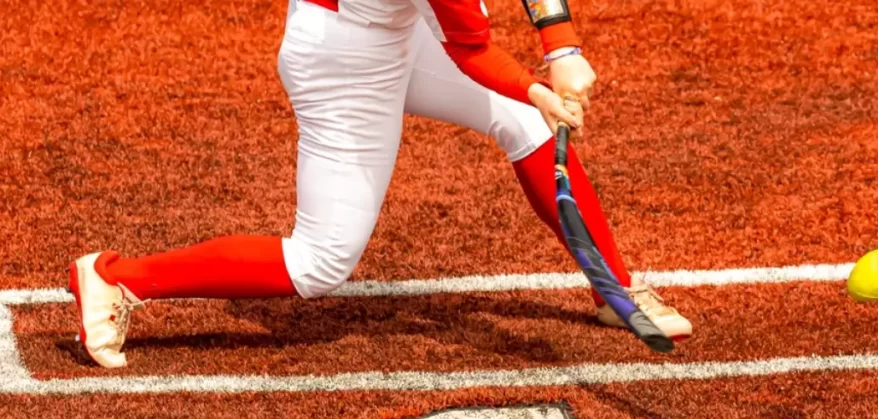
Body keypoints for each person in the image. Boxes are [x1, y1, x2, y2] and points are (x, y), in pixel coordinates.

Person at [68, 0, 692, 368]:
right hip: (343, 63)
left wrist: (559, 48)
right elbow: (469, 52)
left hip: (392, 27)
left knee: (524, 124)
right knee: (320, 263)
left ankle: (614, 290)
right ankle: (118, 278)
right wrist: (540, 86)